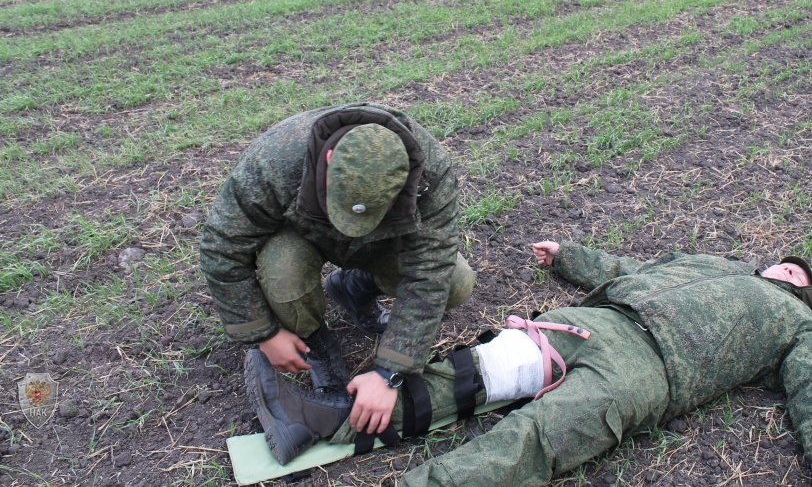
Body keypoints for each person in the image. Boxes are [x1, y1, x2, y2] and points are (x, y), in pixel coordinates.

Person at [244, 237, 812, 485]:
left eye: (802, 279)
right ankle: (320, 420)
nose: (791, 273)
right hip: (596, 323)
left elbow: (808, 389)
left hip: (649, 372)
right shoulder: (715, 263)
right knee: (472, 375)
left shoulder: (797, 324)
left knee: (538, 437)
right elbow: (629, 269)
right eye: (789, 266)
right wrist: (569, 256)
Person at [199, 103, 476, 463]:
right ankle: (317, 345)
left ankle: (354, 286)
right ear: (328, 159)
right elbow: (222, 248)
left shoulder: (429, 173)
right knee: (283, 276)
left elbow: (430, 269)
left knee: (456, 281)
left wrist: (390, 372)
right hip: (299, 239)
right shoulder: (276, 160)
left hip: (382, 238)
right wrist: (265, 335)